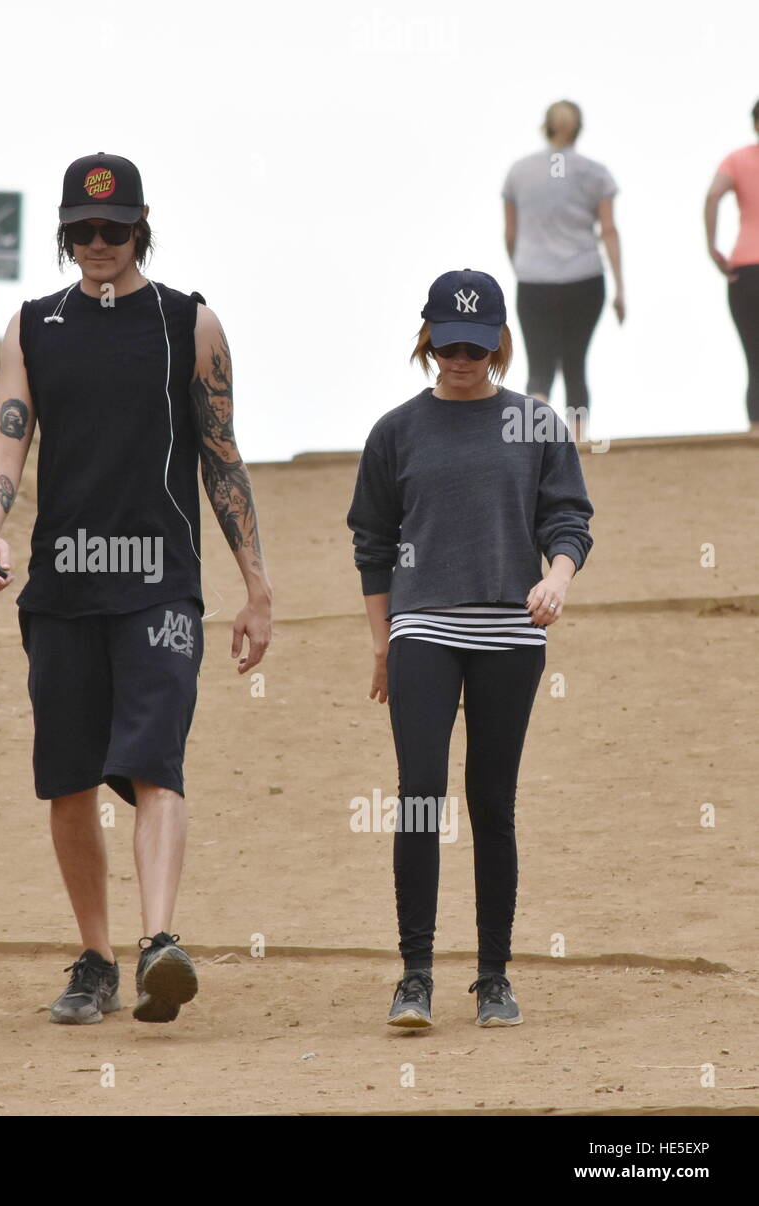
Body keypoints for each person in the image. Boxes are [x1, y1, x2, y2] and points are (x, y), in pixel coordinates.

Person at [0, 152, 272, 1025]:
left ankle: (159, 945)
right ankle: (95, 959)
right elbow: (5, 443)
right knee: (67, 778)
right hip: (62, 588)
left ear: (141, 229)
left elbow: (223, 458)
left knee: (153, 762)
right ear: (66, 237)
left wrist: (256, 588)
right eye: (82, 231)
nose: (98, 243)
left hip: (159, 585)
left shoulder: (191, 324)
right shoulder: (33, 325)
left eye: (115, 229)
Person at [346, 268, 594, 1029]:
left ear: (499, 343)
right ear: (427, 340)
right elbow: (373, 543)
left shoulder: (535, 423)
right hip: (422, 625)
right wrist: (384, 641)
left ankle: (493, 977)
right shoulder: (396, 430)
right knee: (420, 791)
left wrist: (557, 579)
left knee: (493, 799)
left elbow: (568, 520)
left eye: (476, 346)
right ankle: (414, 975)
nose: (462, 357)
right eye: (449, 344)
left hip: (511, 630)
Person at [503, 100, 624, 443]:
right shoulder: (595, 172)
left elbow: (510, 234)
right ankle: (580, 441)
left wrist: (524, 265)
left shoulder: (519, 172)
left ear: (546, 126)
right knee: (575, 362)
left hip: (534, 279)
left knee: (539, 364)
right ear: (579, 128)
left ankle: (530, 439)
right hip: (584, 278)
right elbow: (609, 230)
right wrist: (620, 288)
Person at [705, 98, 759, 433]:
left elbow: (712, 196)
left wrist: (713, 248)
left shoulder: (738, 159)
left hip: (745, 270)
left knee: (755, 357)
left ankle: (755, 434)